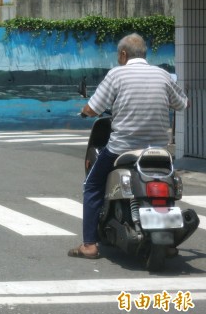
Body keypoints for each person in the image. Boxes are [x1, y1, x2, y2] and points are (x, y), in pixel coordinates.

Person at [68, 33, 189, 260]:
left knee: (92, 185)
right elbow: (183, 104)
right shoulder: (162, 75)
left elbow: (94, 107)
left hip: (122, 148)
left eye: (118, 55)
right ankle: (169, 239)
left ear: (123, 54)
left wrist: (85, 111)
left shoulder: (117, 74)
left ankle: (89, 245)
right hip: (159, 151)